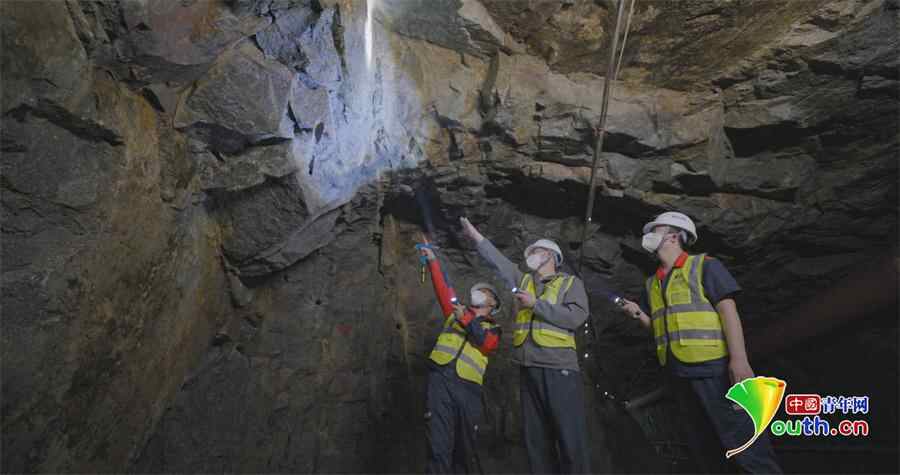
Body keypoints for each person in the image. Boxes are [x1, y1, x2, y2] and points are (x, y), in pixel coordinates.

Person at [617, 211, 783, 473]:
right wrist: (639, 314)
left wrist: (739, 360)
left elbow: (728, 311)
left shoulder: (704, 265)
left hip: (713, 369)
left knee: (743, 441)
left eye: (655, 231)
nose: (647, 236)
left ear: (673, 236)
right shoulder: (652, 284)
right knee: (704, 446)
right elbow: (660, 331)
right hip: (677, 375)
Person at [459, 218, 591, 474]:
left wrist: (536, 305)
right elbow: (498, 261)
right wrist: (476, 236)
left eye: (536, 251)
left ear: (551, 256)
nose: (529, 255)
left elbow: (576, 317)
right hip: (528, 368)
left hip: (558, 369)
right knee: (536, 441)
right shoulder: (524, 280)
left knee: (569, 438)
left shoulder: (570, 283)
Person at [418, 241, 502, 474]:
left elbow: (486, 344)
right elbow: (443, 288)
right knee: (438, 443)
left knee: (465, 448)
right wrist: (432, 259)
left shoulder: (494, 329)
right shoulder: (454, 312)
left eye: (484, 291)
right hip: (440, 380)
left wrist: (466, 318)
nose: (478, 292)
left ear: (493, 303)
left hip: (467, 388)